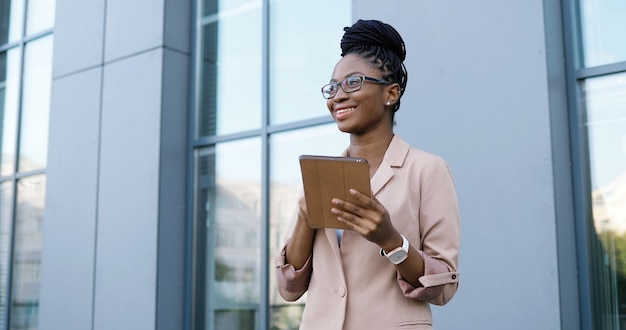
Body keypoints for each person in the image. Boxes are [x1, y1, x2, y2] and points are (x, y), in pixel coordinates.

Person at [275, 19, 460, 329]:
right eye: (332, 87)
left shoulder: (427, 170)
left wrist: (391, 240)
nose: (338, 96)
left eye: (353, 82)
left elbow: (445, 286)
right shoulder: (319, 175)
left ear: (391, 92)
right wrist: (306, 217)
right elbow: (289, 288)